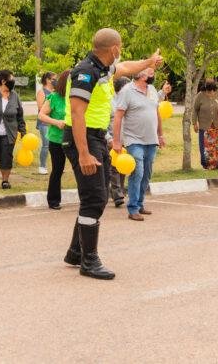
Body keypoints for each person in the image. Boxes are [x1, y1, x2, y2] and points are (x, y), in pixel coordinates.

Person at [61, 28, 162, 280]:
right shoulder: (86, 72)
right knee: (94, 198)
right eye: (121, 47)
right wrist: (83, 153)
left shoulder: (103, 68)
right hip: (82, 140)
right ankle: (89, 261)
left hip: (95, 138)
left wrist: (149, 62)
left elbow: (127, 67)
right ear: (114, 49)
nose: (122, 52)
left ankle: (76, 251)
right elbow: (76, 114)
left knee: (97, 195)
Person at [113, 67, 166, 221]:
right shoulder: (126, 91)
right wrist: (117, 141)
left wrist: (160, 134)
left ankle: (140, 203)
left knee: (147, 173)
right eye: (150, 72)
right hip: (133, 139)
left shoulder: (152, 90)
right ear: (141, 75)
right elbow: (118, 117)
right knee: (138, 172)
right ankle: (133, 208)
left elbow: (157, 113)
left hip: (151, 140)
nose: (153, 75)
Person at [38, 70, 70, 210]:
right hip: (57, 139)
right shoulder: (54, 97)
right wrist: (57, 122)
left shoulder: (75, 97)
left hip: (74, 139)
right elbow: (42, 115)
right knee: (58, 169)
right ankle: (53, 200)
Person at [192, 79, 218, 169]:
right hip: (205, 126)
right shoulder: (200, 95)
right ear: (205, 88)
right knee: (207, 146)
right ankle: (208, 164)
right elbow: (195, 109)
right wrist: (194, 123)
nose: (211, 92)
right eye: (209, 90)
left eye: (213, 90)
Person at [107, 77, 131, 208]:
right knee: (113, 168)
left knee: (122, 167)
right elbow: (104, 123)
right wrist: (109, 139)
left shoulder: (128, 101)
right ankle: (117, 194)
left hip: (126, 140)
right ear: (121, 88)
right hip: (111, 140)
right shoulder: (110, 102)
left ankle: (119, 190)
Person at [35, 72, 56, 175]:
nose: (55, 81)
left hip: (53, 122)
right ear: (47, 80)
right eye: (53, 79)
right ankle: (42, 166)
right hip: (44, 123)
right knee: (46, 145)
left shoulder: (54, 92)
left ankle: (55, 166)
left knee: (54, 145)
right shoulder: (41, 92)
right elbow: (40, 107)